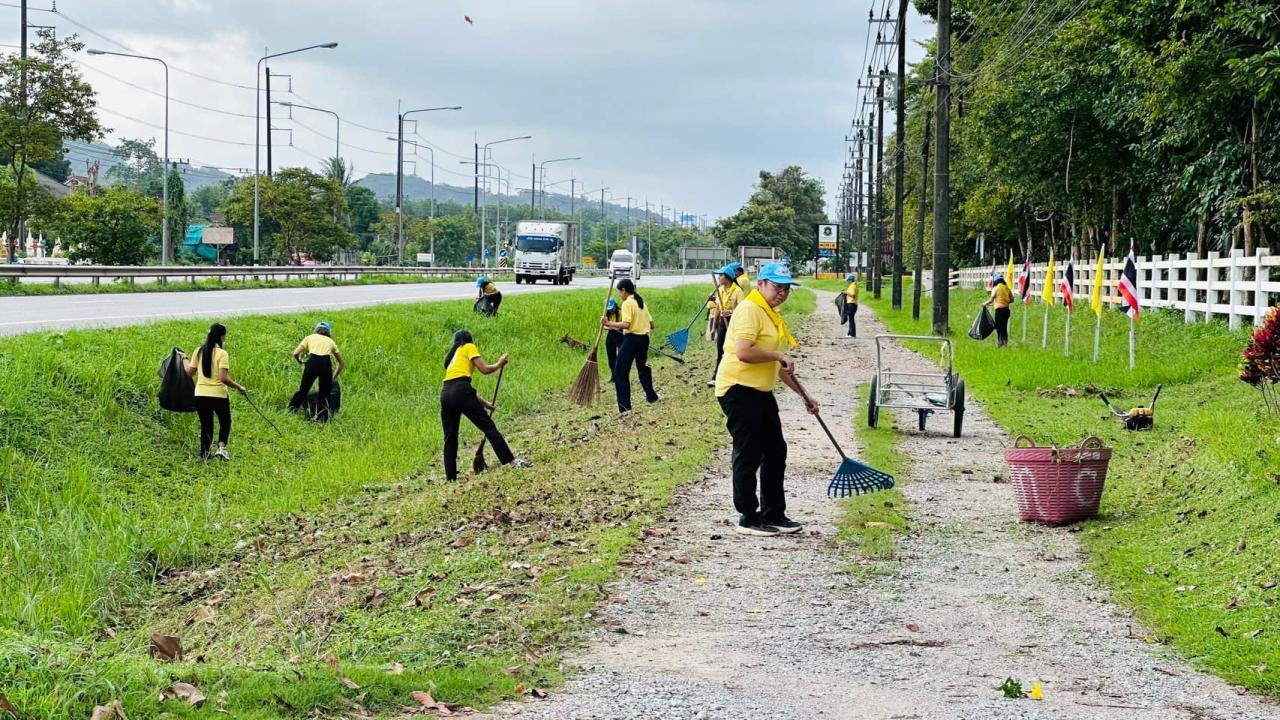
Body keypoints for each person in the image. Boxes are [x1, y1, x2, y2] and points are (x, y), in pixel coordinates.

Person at [714, 263, 819, 537]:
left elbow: (780, 367)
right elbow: (744, 352)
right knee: (749, 451)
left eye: (786, 288)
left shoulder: (770, 313)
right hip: (738, 388)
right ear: (761, 284)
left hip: (760, 391)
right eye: (777, 287)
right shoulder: (750, 309)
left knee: (775, 450)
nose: (782, 293)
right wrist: (778, 356)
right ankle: (748, 517)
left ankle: (774, 513)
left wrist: (805, 395)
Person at [440, 329, 532, 482]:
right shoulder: (468, 346)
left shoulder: (452, 359)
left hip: (446, 393)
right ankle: (512, 462)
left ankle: (450, 478)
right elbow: (484, 370)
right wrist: (499, 363)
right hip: (461, 391)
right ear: (468, 339)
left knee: (450, 438)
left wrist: (486, 404)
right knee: (489, 427)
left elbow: (463, 386)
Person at [180, 323, 246, 460]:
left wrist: (184, 358)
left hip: (201, 395)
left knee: (206, 425)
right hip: (219, 395)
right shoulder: (222, 354)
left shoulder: (198, 351)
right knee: (225, 422)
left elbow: (189, 372)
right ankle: (221, 449)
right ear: (222, 337)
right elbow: (223, 378)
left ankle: (205, 453)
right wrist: (239, 387)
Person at [602, 278, 659, 413]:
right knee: (642, 368)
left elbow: (626, 324)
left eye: (619, 292)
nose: (620, 296)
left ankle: (624, 406)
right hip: (644, 340)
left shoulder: (628, 303)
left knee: (620, 372)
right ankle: (651, 396)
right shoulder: (641, 303)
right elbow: (652, 325)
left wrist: (609, 323)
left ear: (624, 290)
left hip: (631, 340)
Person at [288, 321, 346, 421]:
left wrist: (300, 361)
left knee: (303, 390)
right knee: (324, 394)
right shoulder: (330, 341)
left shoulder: (310, 337)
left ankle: (291, 411)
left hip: (312, 362)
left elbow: (295, 353)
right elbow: (341, 363)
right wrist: (333, 377)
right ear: (328, 332)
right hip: (325, 364)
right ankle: (321, 418)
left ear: (316, 330)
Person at [707, 265, 745, 387]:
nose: (719, 278)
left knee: (733, 350)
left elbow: (743, 309)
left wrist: (731, 312)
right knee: (721, 350)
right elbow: (718, 309)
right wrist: (713, 328)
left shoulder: (738, 291)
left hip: (734, 323)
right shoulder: (721, 290)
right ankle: (716, 377)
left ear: (728, 277)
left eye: (721, 275)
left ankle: (737, 376)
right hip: (722, 323)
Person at [983, 273, 1013, 347]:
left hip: (999, 311)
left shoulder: (996, 288)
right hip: (1006, 310)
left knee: (999, 327)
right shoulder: (1007, 288)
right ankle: (1005, 343)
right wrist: (1004, 302)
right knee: (1004, 327)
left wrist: (984, 304)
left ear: (996, 281)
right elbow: (1012, 300)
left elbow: (991, 299)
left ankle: (1000, 343)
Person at [604, 297, 624, 372]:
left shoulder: (620, 312)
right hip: (611, 336)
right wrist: (610, 327)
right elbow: (604, 326)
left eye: (612, 308)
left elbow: (619, 327)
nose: (611, 310)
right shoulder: (606, 314)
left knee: (620, 356)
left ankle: (620, 373)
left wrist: (610, 326)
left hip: (620, 335)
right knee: (611, 357)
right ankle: (613, 375)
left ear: (615, 305)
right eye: (609, 308)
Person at [843, 273, 860, 338]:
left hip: (851, 304)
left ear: (850, 280)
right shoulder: (854, 285)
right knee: (851, 319)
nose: (847, 282)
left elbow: (853, 294)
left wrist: (846, 292)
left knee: (851, 319)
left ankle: (852, 334)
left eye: (848, 280)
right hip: (853, 304)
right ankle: (850, 333)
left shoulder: (853, 286)